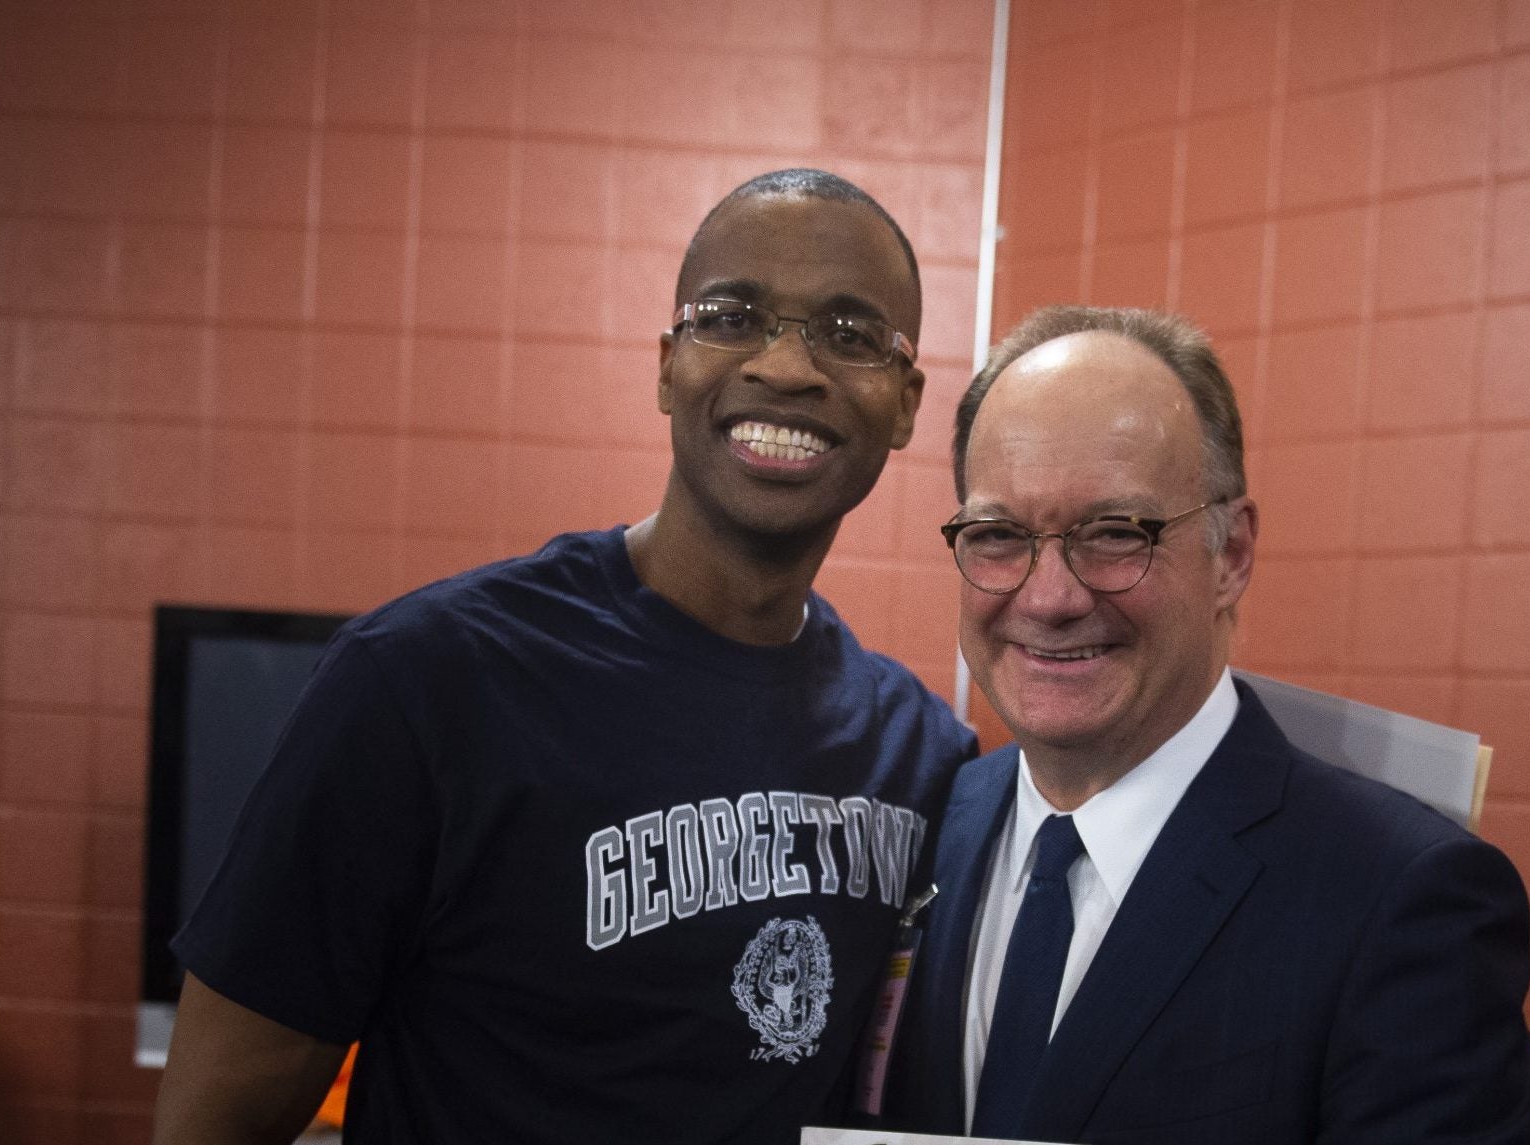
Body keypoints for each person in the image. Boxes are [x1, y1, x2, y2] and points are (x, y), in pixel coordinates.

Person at [151, 169, 978, 1145]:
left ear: (907, 402)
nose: (788, 367)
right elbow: (214, 1119)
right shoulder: (425, 681)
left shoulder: (923, 754)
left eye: (850, 334)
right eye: (733, 315)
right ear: (669, 364)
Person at [883, 305, 1530, 1143]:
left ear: (1231, 554)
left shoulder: (1400, 899)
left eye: (1116, 533)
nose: (1049, 596)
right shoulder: (928, 822)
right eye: (997, 534)